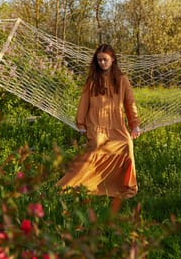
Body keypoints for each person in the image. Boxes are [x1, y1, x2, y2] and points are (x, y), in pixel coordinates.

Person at [56, 44, 141, 198]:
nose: (102, 63)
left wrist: (134, 125)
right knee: (96, 145)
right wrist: (81, 124)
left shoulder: (122, 80)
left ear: (113, 59)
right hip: (96, 124)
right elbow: (84, 103)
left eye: (105, 60)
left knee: (126, 144)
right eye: (99, 60)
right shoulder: (92, 80)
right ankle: (83, 183)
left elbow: (130, 103)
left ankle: (123, 184)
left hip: (116, 125)